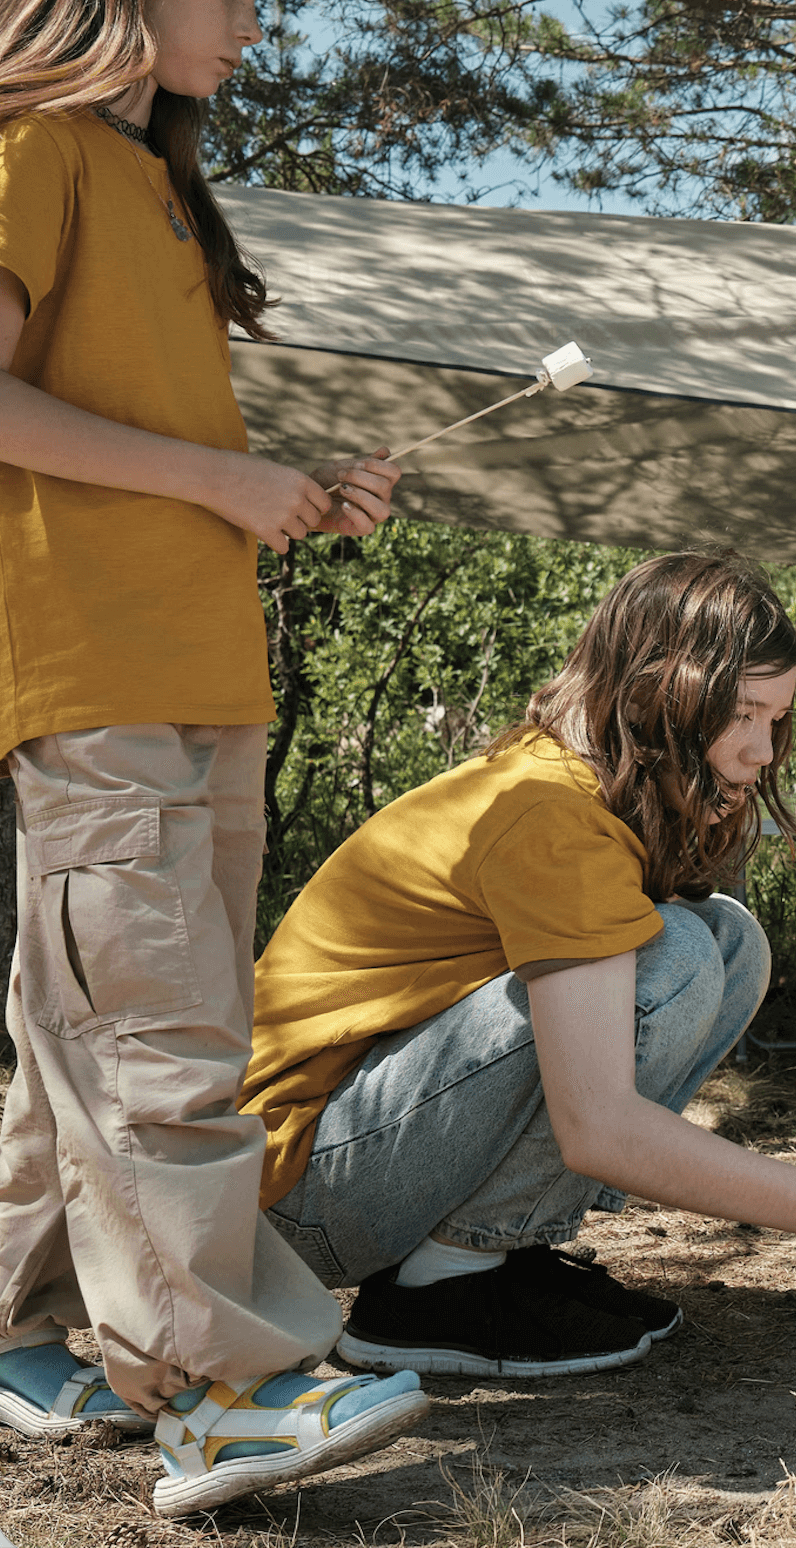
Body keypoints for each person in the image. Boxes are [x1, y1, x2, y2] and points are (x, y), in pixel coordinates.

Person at [0, 0, 426, 1515]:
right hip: (93, 662)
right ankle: (229, 1391)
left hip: (197, 666)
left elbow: (135, 431)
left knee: (116, 1013)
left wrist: (288, 492)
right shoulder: (33, 144)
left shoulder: (152, 174)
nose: (257, 21)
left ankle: (33, 1327)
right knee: (156, 1030)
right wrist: (220, 479)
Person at [240, 551, 796, 1377]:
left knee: (725, 940)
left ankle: (491, 1254)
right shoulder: (555, 818)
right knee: (674, 958)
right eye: (740, 714)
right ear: (651, 693)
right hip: (296, 1201)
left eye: (776, 719)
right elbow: (597, 1125)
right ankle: (436, 1294)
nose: (763, 751)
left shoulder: (584, 782)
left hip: (357, 1155)